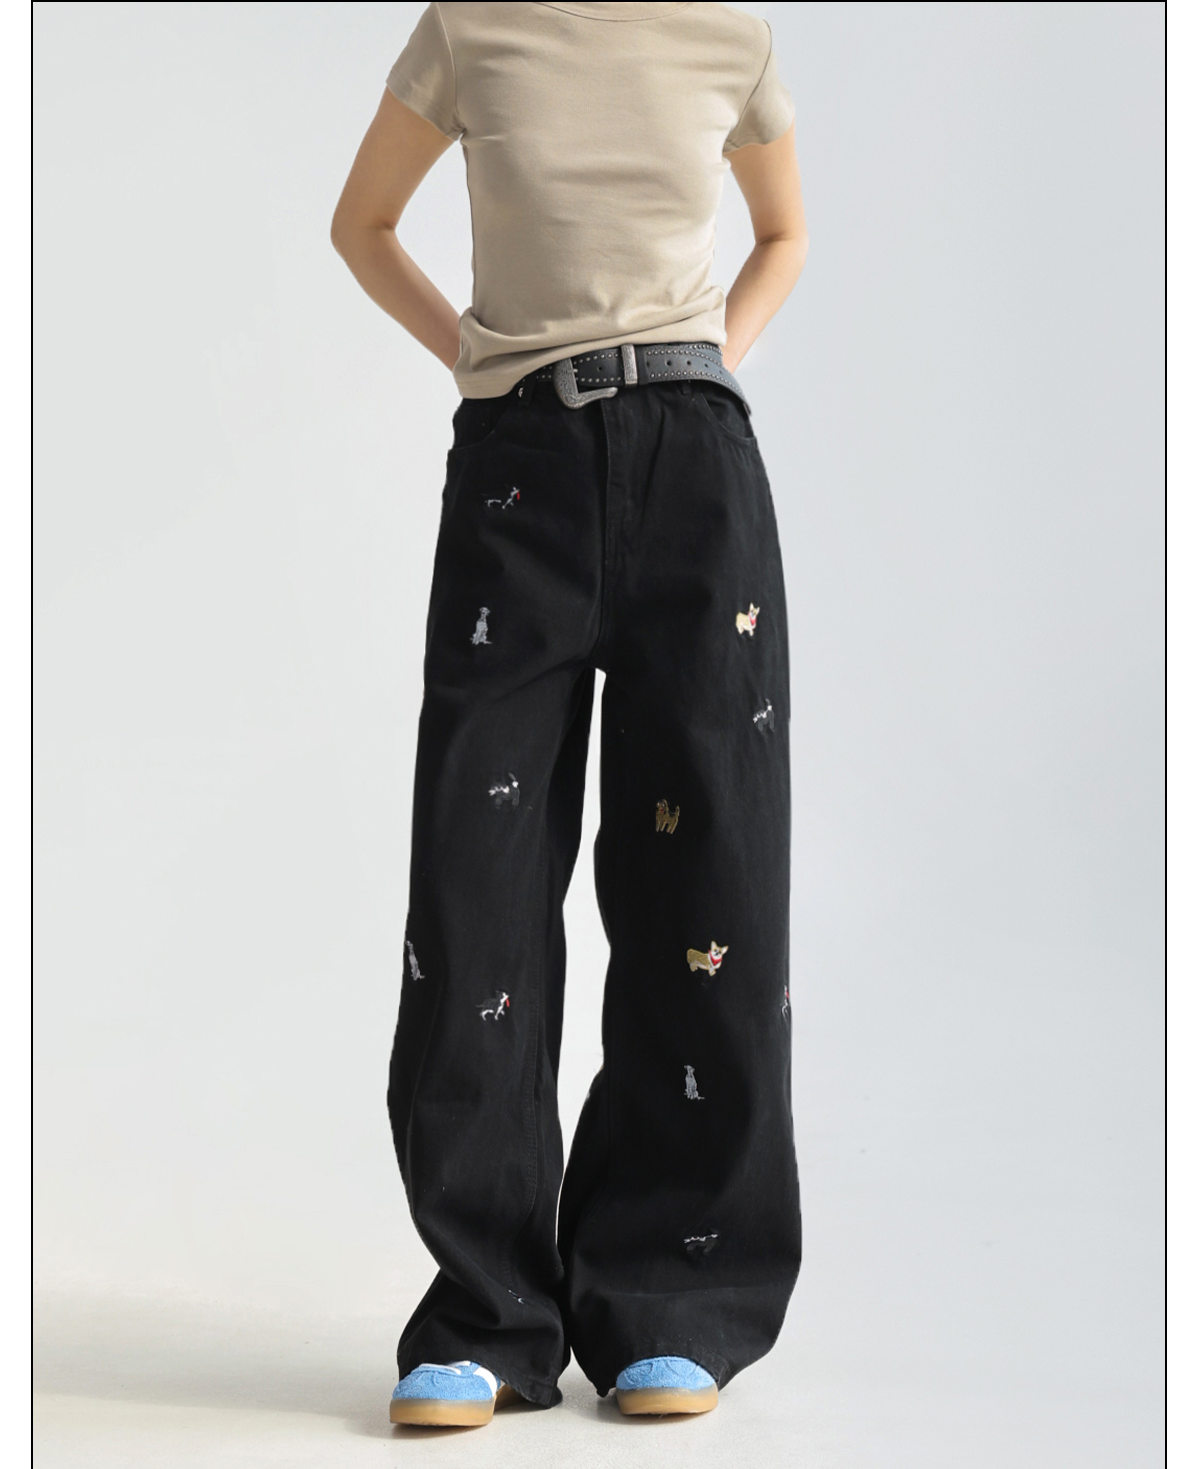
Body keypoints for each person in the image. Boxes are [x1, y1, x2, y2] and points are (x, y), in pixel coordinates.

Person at [331, 0, 809, 1428]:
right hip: (519, 470)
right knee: (474, 889)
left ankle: (675, 1296)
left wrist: (711, 354)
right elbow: (362, 225)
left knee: (710, 880)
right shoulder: (472, 24)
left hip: (697, 465)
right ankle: (488, 1312)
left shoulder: (725, 31)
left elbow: (786, 232)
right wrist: (480, 361)